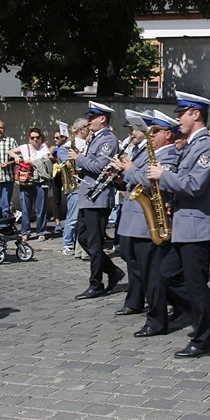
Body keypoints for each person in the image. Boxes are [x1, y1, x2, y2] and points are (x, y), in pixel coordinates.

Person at [147, 91, 210, 357]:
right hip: (182, 225)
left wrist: (163, 175)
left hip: (195, 226)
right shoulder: (190, 144)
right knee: (167, 275)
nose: (177, 118)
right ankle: (204, 319)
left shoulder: (205, 146)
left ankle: (203, 340)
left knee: (196, 286)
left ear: (195, 114)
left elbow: (195, 185)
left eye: (182, 113)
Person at [119, 111, 182, 335]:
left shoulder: (169, 155)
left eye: (155, 133)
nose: (150, 136)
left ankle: (157, 320)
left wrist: (131, 171)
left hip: (152, 221)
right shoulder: (155, 151)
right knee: (146, 271)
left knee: (153, 274)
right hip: (142, 219)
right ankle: (174, 307)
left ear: (167, 134)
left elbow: (157, 183)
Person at [71, 102, 125, 299]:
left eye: (92, 118)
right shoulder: (96, 138)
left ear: (102, 119)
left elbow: (100, 166)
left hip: (98, 197)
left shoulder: (108, 139)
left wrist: (79, 159)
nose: (89, 121)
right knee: (82, 237)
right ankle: (112, 271)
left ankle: (96, 284)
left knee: (94, 243)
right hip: (88, 195)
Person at [113, 110, 151, 315]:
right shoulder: (135, 148)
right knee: (127, 253)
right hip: (130, 206)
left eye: (135, 128)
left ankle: (137, 298)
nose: (131, 132)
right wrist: (120, 176)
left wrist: (129, 168)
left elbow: (147, 175)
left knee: (137, 256)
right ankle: (136, 297)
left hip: (141, 210)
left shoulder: (149, 151)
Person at [10, 128, 52, 241]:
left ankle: (41, 231)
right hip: (26, 180)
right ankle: (25, 231)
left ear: (41, 138)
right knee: (25, 207)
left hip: (40, 180)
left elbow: (47, 160)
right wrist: (16, 156)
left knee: (41, 207)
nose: (35, 140)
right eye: (32, 137)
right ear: (29, 138)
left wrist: (31, 162)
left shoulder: (43, 148)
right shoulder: (25, 147)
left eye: (37, 137)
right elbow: (10, 151)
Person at [61, 118, 89, 256]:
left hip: (82, 182)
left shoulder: (86, 143)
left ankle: (76, 245)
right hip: (75, 183)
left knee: (80, 218)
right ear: (81, 129)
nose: (88, 129)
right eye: (86, 127)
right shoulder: (69, 145)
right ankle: (67, 244)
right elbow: (61, 156)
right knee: (72, 217)